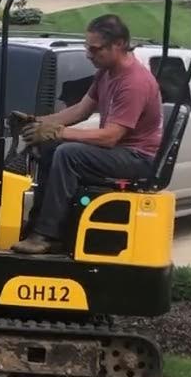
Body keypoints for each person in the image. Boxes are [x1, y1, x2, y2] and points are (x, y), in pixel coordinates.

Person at [10, 14, 163, 255]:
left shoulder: (134, 82)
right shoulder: (106, 72)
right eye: (87, 48)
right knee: (50, 148)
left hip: (137, 157)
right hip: (118, 151)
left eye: (95, 49)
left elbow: (111, 136)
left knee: (69, 153)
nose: (89, 55)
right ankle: (36, 226)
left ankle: (47, 235)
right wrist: (38, 121)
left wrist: (59, 132)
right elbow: (81, 110)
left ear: (119, 44)